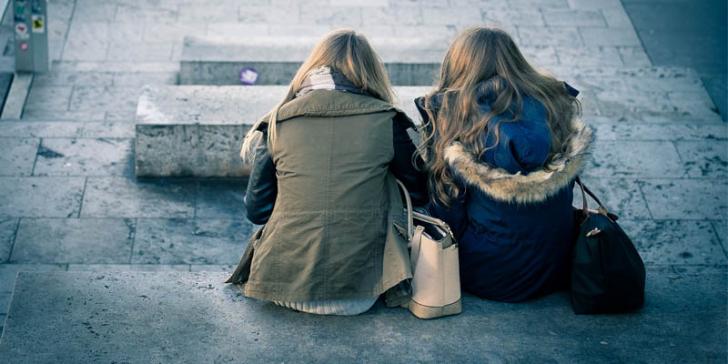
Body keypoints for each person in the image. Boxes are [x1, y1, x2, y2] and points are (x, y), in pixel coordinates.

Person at [226, 29, 426, 315]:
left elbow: (257, 211)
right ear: (370, 72)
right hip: (361, 291)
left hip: (283, 286)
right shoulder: (388, 121)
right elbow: (419, 193)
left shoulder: (278, 121)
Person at [414, 26, 593, 303]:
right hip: (556, 265)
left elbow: (448, 212)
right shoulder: (555, 104)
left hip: (487, 274)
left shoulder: (455, 116)